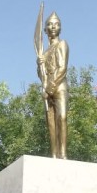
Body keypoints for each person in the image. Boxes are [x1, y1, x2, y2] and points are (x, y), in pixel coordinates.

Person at [36, 11, 69, 159]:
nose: (53, 27)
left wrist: (50, 88)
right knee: (50, 122)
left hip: (59, 86)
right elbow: (42, 74)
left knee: (61, 117)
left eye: (56, 24)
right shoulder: (45, 51)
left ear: (60, 27)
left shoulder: (62, 44)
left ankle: (63, 153)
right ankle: (54, 154)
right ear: (45, 29)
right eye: (50, 24)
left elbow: (62, 68)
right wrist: (39, 65)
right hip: (47, 87)